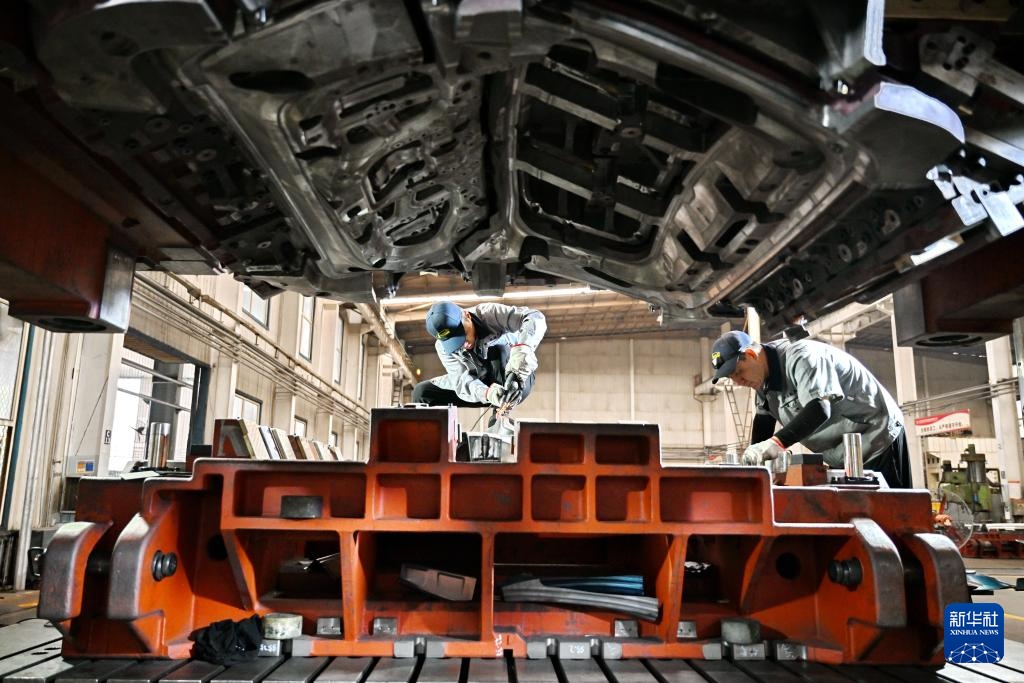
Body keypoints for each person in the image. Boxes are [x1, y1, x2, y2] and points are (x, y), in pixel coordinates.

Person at [710, 330, 911, 488]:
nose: (738, 381)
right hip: (841, 457)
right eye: (732, 378)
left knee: (893, 514)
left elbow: (820, 408)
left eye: (739, 372)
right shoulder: (762, 383)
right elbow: (763, 423)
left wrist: (776, 443)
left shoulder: (802, 356)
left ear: (751, 354)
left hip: (877, 438)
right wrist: (752, 466)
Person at [412, 301, 546, 409]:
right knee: (421, 392)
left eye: (463, 335)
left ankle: (502, 407)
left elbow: (534, 317)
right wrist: (487, 393)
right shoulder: (442, 348)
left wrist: (522, 352)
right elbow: (461, 380)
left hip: (516, 376)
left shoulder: (489, 314)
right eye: (455, 342)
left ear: (467, 316)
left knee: (497, 349)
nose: (463, 344)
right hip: (482, 385)